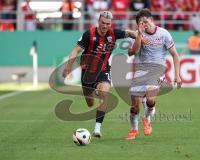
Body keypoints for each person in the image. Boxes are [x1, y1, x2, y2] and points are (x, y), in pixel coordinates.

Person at [62, 11, 136, 138]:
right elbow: (75, 50)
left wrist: (138, 35)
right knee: (90, 103)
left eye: (108, 23)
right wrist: (68, 67)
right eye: (103, 23)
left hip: (103, 69)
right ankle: (94, 90)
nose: (105, 26)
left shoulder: (114, 33)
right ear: (98, 22)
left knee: (104, 93)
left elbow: (129, 33)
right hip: (87, 72)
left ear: (110, 24)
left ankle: (97, 128)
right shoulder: (88, 34)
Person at [126, 8, 182, 140]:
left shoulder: (164, 34)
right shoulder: (137, 34)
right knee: (134, 106)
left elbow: (175, 54)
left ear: (151, 20)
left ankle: (147, 119)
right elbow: (132, 52)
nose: (144, 25)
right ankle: (134, 130)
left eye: (145, 21)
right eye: (141, 23)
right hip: (140, 72)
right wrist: (139, 35)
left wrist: (177, 75)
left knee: (150, 99)